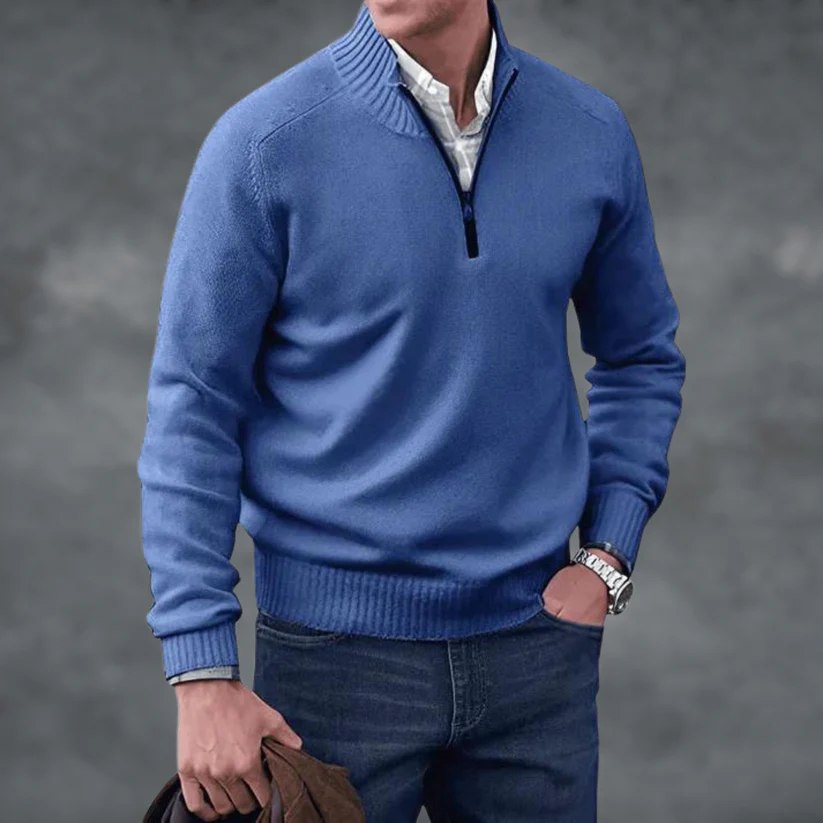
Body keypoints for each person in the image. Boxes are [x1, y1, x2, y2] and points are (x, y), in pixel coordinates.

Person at [137, 1, 686, 820]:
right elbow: (194, 405)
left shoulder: (589, 132)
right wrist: (201, 670)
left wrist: (607, 553)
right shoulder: (264, 143)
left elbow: (639, 355)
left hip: (536, 654)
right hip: (330, 664)